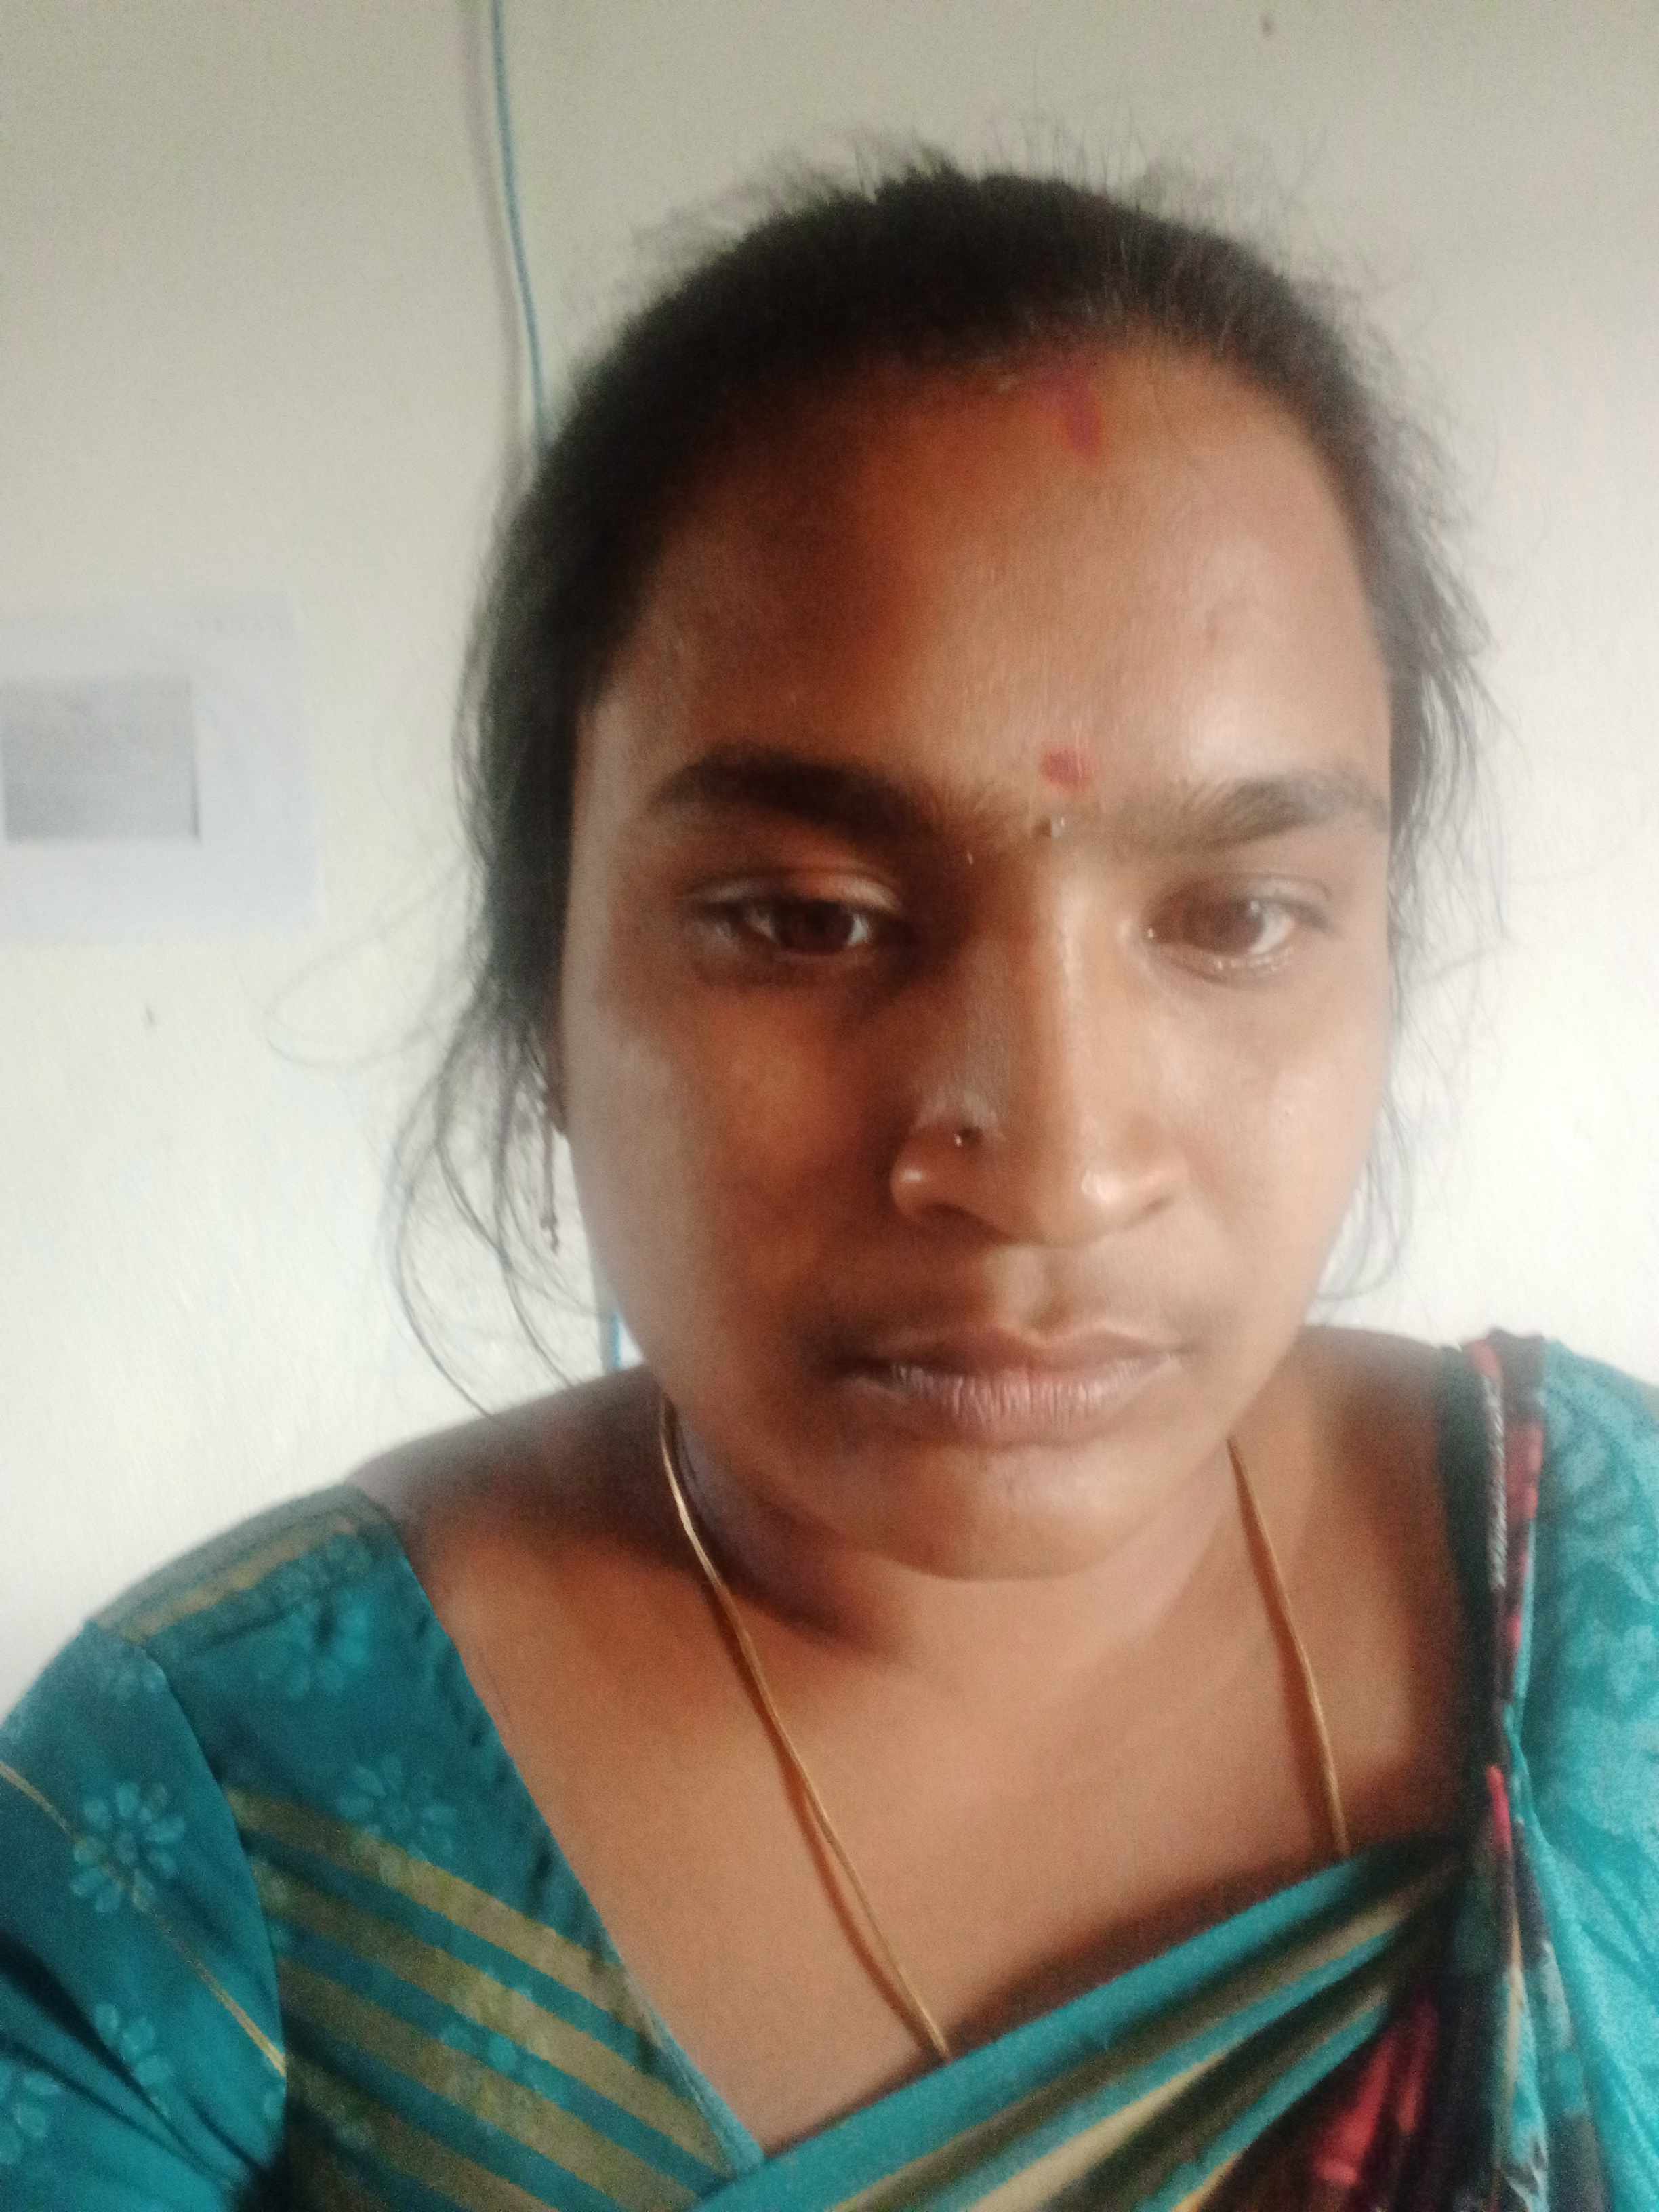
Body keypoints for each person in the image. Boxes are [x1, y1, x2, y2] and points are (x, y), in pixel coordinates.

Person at [2, 159, 1656, 2211]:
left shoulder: (1616, 1607)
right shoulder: (193, 1846)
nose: (1054, 1171)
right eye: (805, 919)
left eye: (1235, 919)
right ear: (544, 974)